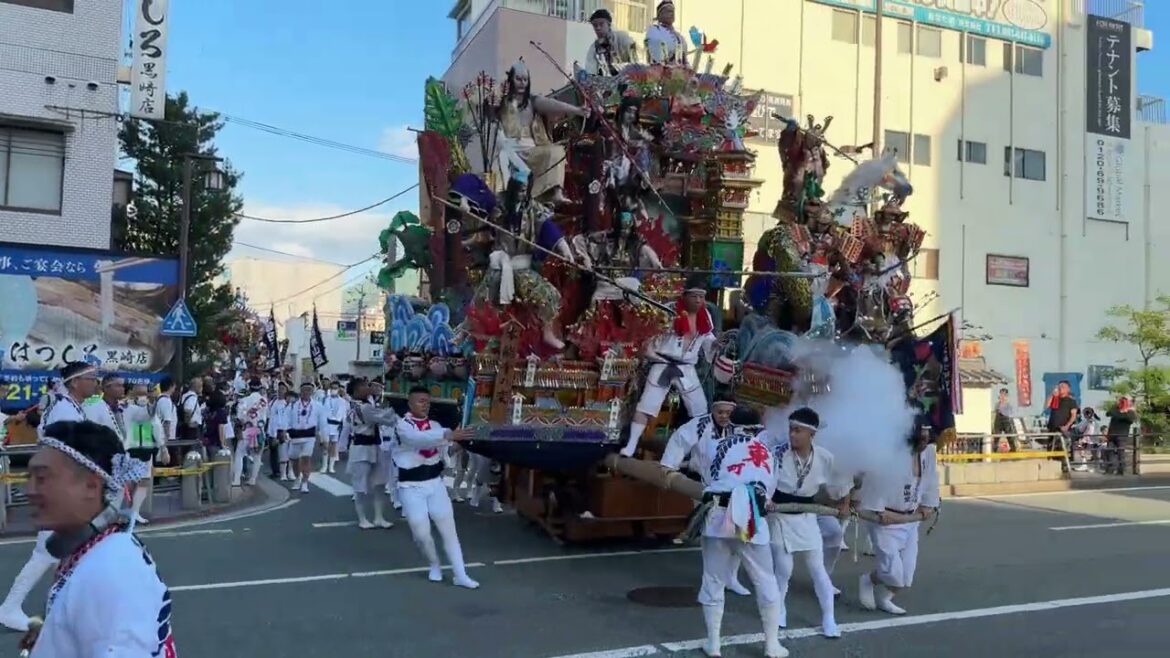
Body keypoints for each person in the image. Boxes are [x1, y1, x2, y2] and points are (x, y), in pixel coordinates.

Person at [18, 420, 171, 657]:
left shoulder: (110, 568)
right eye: (29, 477)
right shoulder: (99, 550)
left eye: (42, 478)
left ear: (91, 486)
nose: (30, 490)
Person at [659, 395, 788, 658]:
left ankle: (714, 644)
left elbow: (709, 478)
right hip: (751, 518)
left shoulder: (715, 445)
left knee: (713, 580)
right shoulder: (768, 453)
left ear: (733, 426)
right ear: (758, 428)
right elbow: (769, 490)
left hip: (718, 516)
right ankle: (772, 644)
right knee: (766, 580)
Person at [0, 362, 98, 632]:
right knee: (48, 551)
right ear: (75, 382)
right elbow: (60, 452)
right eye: (91, 378)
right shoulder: (64, 410)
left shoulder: (71, 407)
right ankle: (10, 607)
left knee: (70, 549)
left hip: (64, 486)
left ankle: (68, 605)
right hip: (58, 488)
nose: (95, 383)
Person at [762, 407, 844, 638]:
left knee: (817, 569)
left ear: (812, 434)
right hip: (779, 514)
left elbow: (839, 484)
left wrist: (844, 501)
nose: (792, 434)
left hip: (807, 516)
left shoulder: (825, 457)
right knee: (783, 569)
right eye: (791, 429)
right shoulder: (777, 453)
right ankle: (779, 609)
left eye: (798, 430)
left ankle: (829, 618)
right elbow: (765, 480)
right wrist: (766, 499)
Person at [393, 386, 480, 589]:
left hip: (435, 483)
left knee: (448, 530)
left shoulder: (435, 425)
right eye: (420, 401)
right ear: (410, 403)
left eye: (427, 401)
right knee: (421, 532)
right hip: (410, 486)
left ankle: (461, 574)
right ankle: (434, 564)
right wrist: (449, 434)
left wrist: (462, 441)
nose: (425, 405)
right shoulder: (402, 425)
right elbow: (417, 439)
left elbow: (445, 452)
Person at [621, 276, 717, 457]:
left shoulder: (705, 317)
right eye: (694, 296)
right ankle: (631, 444)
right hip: (663, 363)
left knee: (700, 410)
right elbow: (651, 332)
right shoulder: (669, 310)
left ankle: (699, 453)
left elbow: (708, 339)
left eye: (701, 296)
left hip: (687, 367)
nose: (698, 300)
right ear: (685, 296)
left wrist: (716, 344)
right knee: (646, 406)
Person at [857, 420, 940, 616]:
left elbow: (931, 479)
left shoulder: (928, 452)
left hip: (911, 520)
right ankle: (868, 580)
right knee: (894, 574)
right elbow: (874, 482)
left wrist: (928, 504)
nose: (925, 441)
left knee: (907, 575)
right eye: (921, 437)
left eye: (927, 437)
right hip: (885, 521)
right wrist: (880, 512)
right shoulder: (890, 453)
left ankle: (885, 598)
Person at [346, 379, 397, 529]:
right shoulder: (363, 407)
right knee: (360, 486)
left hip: (374, 446)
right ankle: (362, 518)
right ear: (356, 391)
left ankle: (379, 517)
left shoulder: (364, 404)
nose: (368, 388)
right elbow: (386, 419)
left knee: (379, 483)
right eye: (364, 386)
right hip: (361, 448)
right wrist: (395, 407)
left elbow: (381, 416)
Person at [122, 382, 167, 526]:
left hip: (145, 448)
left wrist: (163, 448)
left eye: (146, 392)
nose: (144, 395)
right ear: (131, 391)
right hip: (130, 449)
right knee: (131, 481)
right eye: (141, 392)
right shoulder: (125, 407)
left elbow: (156, 425)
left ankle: (134, 512)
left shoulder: (147, 407)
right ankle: (128, 511)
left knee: (143, 481)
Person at [288, 382, 327, 493]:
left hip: (309, 435)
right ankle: (297, 478)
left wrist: (324, 439)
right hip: (295, 435)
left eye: (309, 390)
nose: (306, 392)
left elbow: (323, 423)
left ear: (312, 392)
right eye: (304, 390)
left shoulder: (318, 406)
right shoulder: (293, 405)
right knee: (294, 459)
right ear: (301, 391)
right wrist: (285, 431)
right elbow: (287, 419)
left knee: (306, 458)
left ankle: (305, 483)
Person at [234, 377, 269, 486]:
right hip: (258, 429)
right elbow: (266, 416)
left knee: (239, 454)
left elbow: (240, 417)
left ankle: (236, 479)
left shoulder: (244, 400)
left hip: (246, 429)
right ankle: (253, 479)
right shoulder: (264, 401)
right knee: (257, 456)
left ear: (249, 387)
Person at [585, 8, 637, 76]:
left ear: (609, 24)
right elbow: (590, 71)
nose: (598, 28)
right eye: (595, 25)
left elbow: (635, 60)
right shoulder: (594, 48)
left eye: (601, 24)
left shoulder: (622, 38)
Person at [1105, 396, 1139, 475]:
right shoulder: (1116, 409)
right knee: (1109, 451)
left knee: (1121, 452)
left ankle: (1121, 470)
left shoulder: (1131, 412)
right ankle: (1110, 469)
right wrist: (1117, 406)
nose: (1122, 401)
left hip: (1122, 435)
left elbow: (1129, 419)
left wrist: (1125, 411)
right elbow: (1108, 413)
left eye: (1125, 400)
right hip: (1112, 434)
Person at [1045, 380, 1079, 455]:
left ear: (1068, 389)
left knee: (1062, 448)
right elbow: (1047, 406)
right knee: (1051, 449)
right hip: (1052, 428)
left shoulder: (1071, 401)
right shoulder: (1055, 399)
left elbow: (1073, 415)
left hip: (1063, 428)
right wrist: (1052, 394)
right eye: (1059, 387)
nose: (1060, 388)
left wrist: (1067, 426)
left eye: (1063, 387)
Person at [268, 383, 293, 480]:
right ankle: (275, 471)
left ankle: (287, 471)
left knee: (285, 451)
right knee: (273, 451)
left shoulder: (288, 404)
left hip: (283, 430)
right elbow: (270, 416)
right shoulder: (273, 402)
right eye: (279, 389)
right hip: (273, 430)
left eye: (283, 389)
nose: (280, 391)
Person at [322, 380, 348, 473]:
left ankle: (331, 466)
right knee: (325, 446)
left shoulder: (342, 401)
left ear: (339, 389)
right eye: (332, 388)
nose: (334, 390)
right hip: (326, 424)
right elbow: (322, 412)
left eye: (336, 388)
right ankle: (324, 466)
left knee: (334, 445)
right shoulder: (326, 399)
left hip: (336, 425)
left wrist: (342, 425)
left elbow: (344, 415)